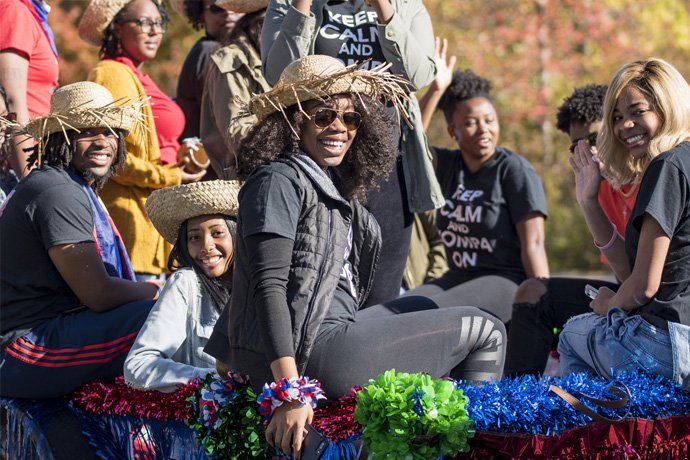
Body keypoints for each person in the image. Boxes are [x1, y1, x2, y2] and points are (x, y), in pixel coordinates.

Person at [205, 55, 506, 457]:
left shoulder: (325, 185)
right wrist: (289, 393)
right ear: (293, 121)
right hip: (315, 352)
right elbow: (266, 284)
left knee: (417, 303)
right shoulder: (277, 180)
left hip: (324, 335)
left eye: (351, 119)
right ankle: (465, 450)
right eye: (325, 114)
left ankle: (415, 439)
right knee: (486, 330)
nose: (340, 128)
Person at [261, 0, 445, 306]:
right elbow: (280, 76)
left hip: (387, 166)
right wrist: (302, 7)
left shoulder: (406, 5)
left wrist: (385, 9)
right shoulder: (287, 3)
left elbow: (418, 75)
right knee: (315, 283)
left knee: (381, 295)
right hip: (319, 164)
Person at [0, 82, 159, 399]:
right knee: (168, 317)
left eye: (110, 131)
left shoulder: (65, 185)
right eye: (87, 131)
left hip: (50, 332)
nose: (103, 141)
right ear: (61, 137)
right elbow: (98, 294)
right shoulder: (57, 191)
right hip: (22, 349)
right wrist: (160, 292)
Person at [558, 58, 690, 388]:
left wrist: (608, 305)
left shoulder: (668, 167)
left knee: (573, 335)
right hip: (678, 342)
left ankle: (591, 439)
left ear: (667, 106)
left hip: (671, 344)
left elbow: (643, 287)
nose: (624, 126)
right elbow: (630, 274)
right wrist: (589, 202)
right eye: (617, 117)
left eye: (637, 111)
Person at [504, 84, 641, 376]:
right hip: (626, 293)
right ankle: (513, 404)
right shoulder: (598, 189)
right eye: (576, 145)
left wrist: (612, 303)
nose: (587, 151)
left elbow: (642, 284)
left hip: (656, 306)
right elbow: (623, 274)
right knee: (533, 292)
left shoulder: (652, 173)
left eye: (594, 138)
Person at [407, 66, 549, 323]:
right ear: (453, 131)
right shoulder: (449, 166)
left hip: (506, 281)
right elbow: (409, 144)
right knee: (392, 311)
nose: (484, 129)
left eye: (489, 120)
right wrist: (436, 89)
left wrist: (545, 307)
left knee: (422, 317)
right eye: (471, 123)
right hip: (457, 278)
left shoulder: (513, 170)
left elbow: (535, 244)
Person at [79, 0, 206, 284]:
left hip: (151, 223)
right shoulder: (112, 74)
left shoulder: (138, 76)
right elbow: (111, 157)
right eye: (144, 23)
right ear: (117, 29)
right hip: (131, 223)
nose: (155, 32)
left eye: (159, 23)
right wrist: (173, 174)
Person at [124, 180, 240, 392]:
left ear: (236, 235)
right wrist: (214, 379)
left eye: (217, 233)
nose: (206, 246)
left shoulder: (261, 286)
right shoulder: (186, 283)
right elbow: (138, 366)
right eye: (194, 237)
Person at [200, 2, 270, 179]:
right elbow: (240, 136)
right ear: (257, 27)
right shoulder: (231, 59)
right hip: (249, 181)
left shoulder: (290, 59)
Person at [0, 0, 59, 182]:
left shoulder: (33, 15)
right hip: (18, 167)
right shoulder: (14, 9)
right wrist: (29, 180)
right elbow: (13, 102)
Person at [172, 0, 245, 142]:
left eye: (234, 4)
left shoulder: (234, 50)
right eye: (217, 8)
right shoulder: (210, 52)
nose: (228, 12)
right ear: (200, 15)